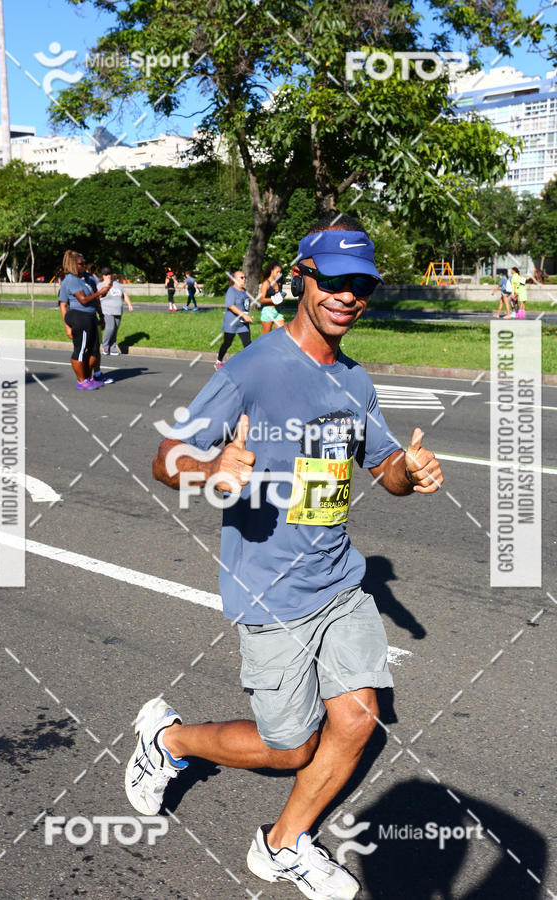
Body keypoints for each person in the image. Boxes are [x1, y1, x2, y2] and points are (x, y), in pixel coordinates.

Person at [126, 214, 444, 898]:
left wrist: (406, 472)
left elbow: (381, 460)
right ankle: (169, 741)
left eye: (361, 283)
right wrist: (212, 468)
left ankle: (282, 845)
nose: (347, 295)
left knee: (358, 716)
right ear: (303, 277)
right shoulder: (255, 367)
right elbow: (164, 457)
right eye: (334, 279)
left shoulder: (355, 382)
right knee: (292, 745)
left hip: (339, 581)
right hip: (269, 587)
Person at [58, 250, 109, 391]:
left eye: (85, 262)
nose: (85, 265)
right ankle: (81, 381)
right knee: (80, 350)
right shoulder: (71, 279)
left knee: (93, 350)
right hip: (79, 317)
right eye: (81, 264)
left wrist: (101, 316)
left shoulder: (86, 278)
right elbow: (82, 300)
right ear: (74, 265)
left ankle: (88, 377)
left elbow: (95, 299)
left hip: (91, 317)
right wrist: (67, 326)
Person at [215, 271, 253, 370]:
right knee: (227, 343)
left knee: (248, 344)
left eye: (245, 277)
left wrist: (246, 314)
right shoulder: (231, 290)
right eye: (241, 277)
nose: (244, 279)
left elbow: (245, 305)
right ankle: (218, 361)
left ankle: (251, 364)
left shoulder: (244, 291)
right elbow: (231, 306)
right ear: (235, 279)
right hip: (231, 322)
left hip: (242, 324)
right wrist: (244, 315)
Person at [99, 267, 133, 355]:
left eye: (109, 274)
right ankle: (105, 346)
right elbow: (97, 296)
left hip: (118, 310)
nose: (108, 276)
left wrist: (129, 304)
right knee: (110, 328)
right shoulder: (100, 285)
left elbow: (124, 295)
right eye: (106, 274)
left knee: (115, 330)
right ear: (103, 276)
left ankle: (113, 348)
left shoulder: (117, 284)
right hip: (107, 310)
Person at [260, 261, 286, 333]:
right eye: (277, 272)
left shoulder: (279, 283)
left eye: (280, 272)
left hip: (278, 311)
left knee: (283, 334)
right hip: (268, 311)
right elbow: (261, 299)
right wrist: (273, 299)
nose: (279, 274)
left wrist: (280, 297)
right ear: (272, 271)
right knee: (266, 337)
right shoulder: (266, 283)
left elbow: (279, 297)